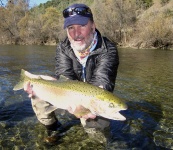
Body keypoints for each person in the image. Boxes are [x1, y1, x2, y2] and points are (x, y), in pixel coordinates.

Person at [24, 3, 119, 144]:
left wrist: (85, 106)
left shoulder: (108, 50)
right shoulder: (63, 47)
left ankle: (96, 141)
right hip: (70, 93)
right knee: (38, 92)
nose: (76, 34)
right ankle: (53, 128)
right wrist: (48, 83)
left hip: (93, 93)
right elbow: (64, 76)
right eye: (71, 28)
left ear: (93, 26)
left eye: (81, 26)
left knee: (98, 127)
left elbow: (103, 81)